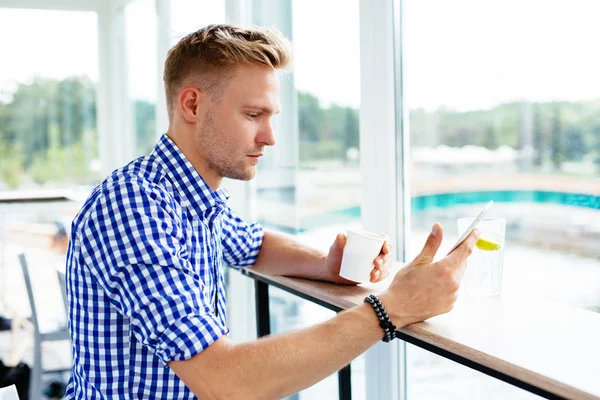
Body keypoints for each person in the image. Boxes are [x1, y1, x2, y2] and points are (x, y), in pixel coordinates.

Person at [64, 24, 479, 399]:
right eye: (252, 114)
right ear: (192, 105)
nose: (269, 137)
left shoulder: (189, 198)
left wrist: (326, 265)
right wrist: (394, 307)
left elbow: (253, 245)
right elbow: (223, 381)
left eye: (271, 116)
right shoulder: (135, 205)